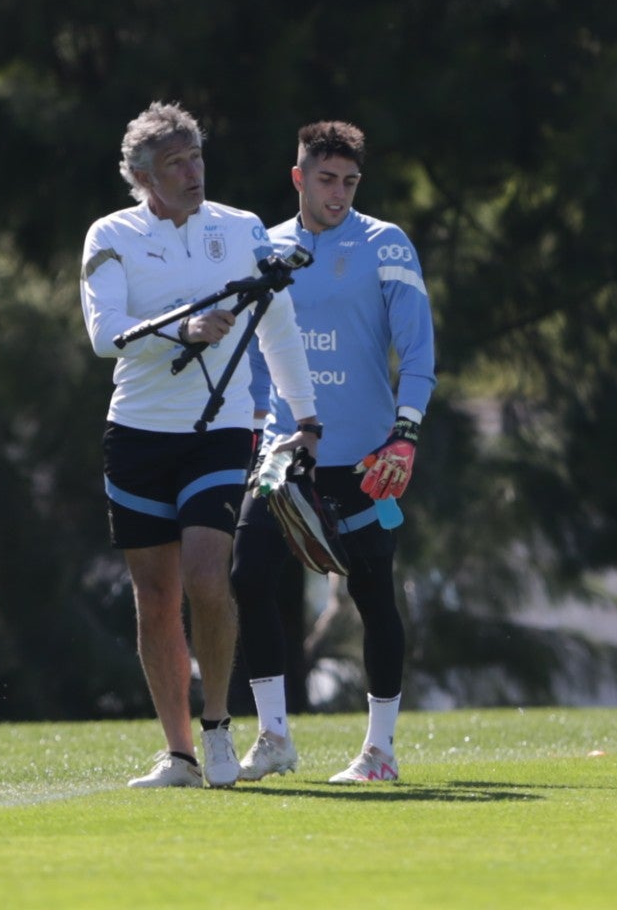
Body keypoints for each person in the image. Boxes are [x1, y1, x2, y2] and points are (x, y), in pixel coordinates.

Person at [80, 101, 324, 789]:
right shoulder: (112, 234)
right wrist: (183, 331)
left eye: (196, 158)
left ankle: (219, 729)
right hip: (136, 434)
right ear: (141, 175)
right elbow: (106, 332)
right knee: (155, 597)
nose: (193, 173)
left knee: (208, 578)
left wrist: (306, 418)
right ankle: (179, 754)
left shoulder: (241, 229)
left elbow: (278, 326)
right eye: (175, 164)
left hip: (220, 431)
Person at [233, 120, 436, 785]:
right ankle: (272, 737)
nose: (339, 193)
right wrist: (256, 428)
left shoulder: (386, 243)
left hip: (365, 459)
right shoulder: (266, 246)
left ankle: (379, 752)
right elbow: (257, 351)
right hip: (284, 455)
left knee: (375, 598)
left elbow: (418, 347)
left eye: (350, 181)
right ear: (299, 178)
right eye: (326, 179)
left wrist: (405, 434)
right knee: (248, 575)